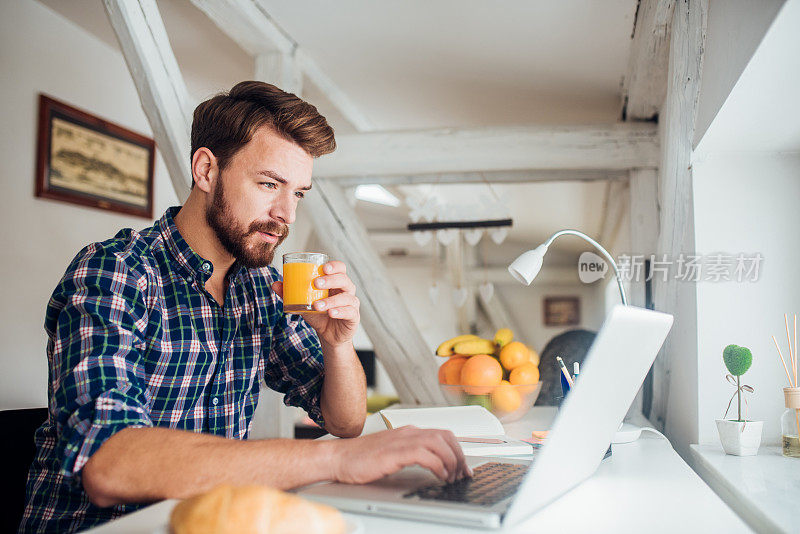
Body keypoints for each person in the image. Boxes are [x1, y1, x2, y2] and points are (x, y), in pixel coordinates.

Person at [19, 81, 470, 533]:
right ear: (206, 170)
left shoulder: (262, 286)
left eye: (297, 193)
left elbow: (344, 421)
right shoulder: (116, 272)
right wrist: (333, 458)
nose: (287, 214)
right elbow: (108, 464)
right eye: (270, 184)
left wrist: (338, 343)